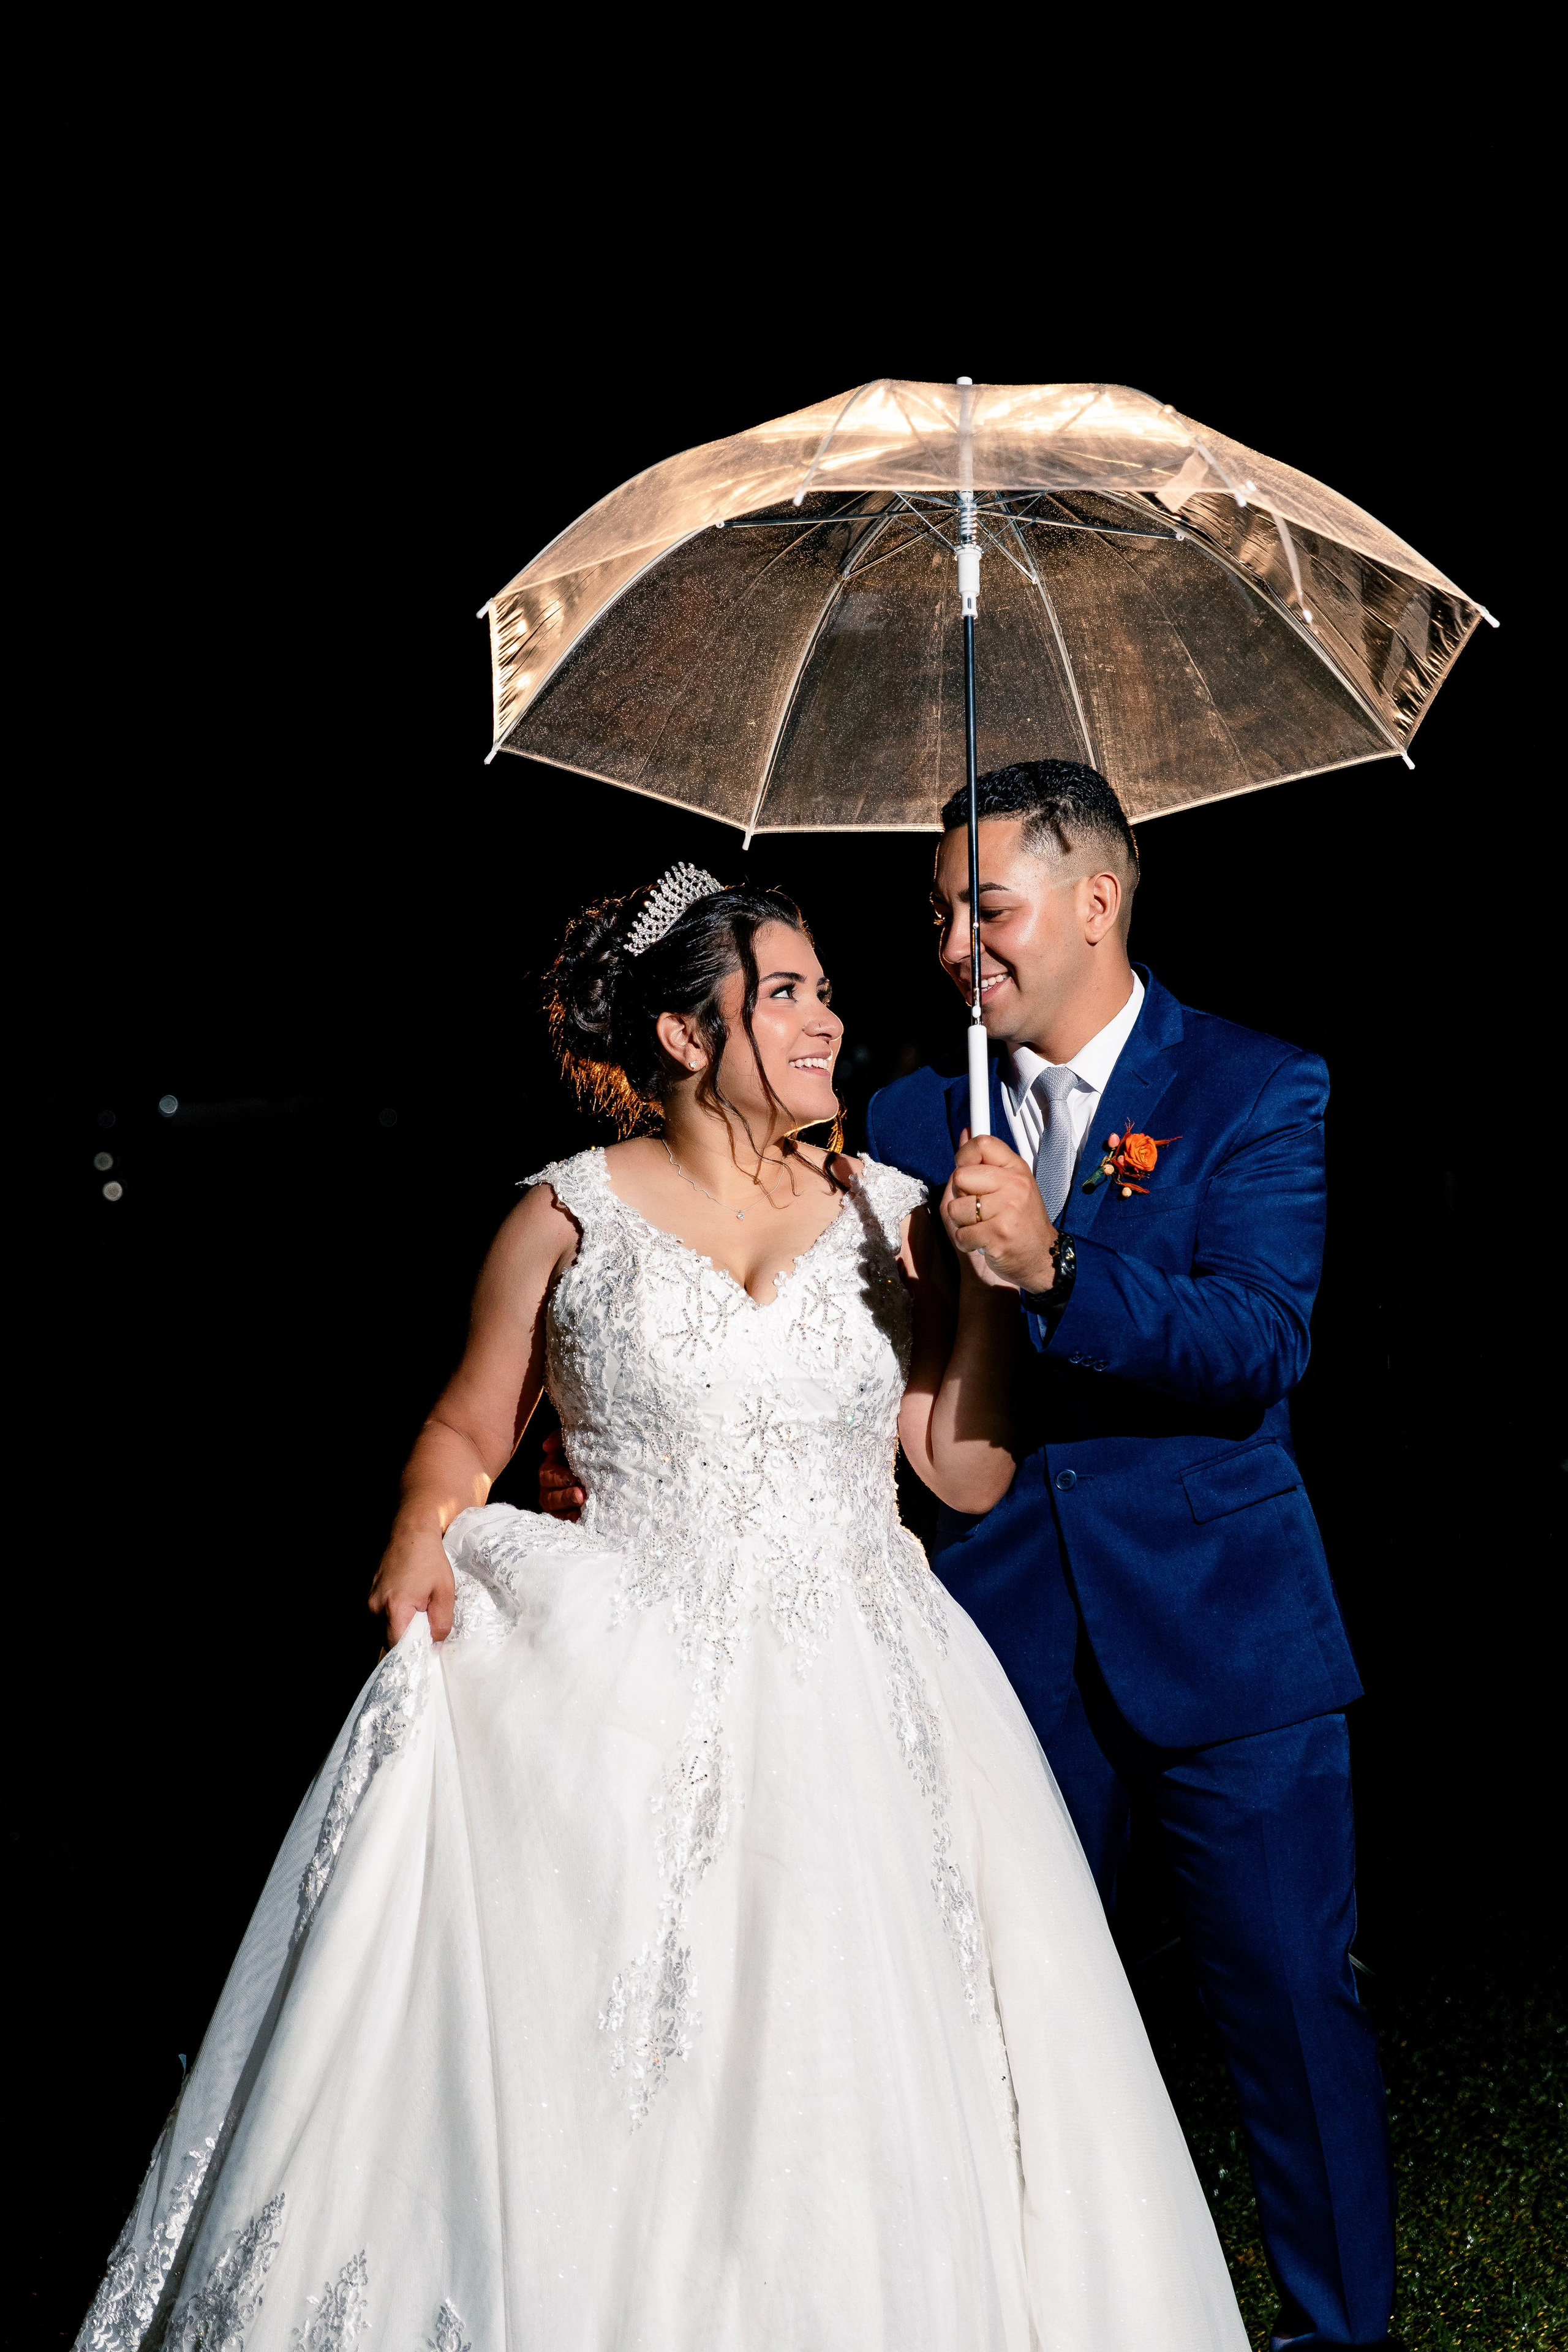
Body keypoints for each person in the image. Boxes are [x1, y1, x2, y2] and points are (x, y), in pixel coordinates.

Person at [80, 867, 1247, 2351]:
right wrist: (420, 1536)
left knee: (843, 2048)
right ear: (688, 1036)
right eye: (787, 993)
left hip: (858, 1689)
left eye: (825, 989)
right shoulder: (562, 1219)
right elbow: (465, 1430)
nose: (829, 1017)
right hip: (620, 1683)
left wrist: (992, 1293)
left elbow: (958, 1473)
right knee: (619, 2049)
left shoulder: (894, 1215)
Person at [871, 760, 1396, 2352]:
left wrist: (1059, 1266)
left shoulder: (1258, 1085)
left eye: (989, 906)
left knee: (1293, 2018)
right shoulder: (911, 1114)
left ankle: (1337, 2335)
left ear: (1099, 898)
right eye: (943, 917)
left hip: (1233, 1646)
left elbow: (1256, 1339)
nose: (960, 946)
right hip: (1005, 1644)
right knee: (1012, 2023)